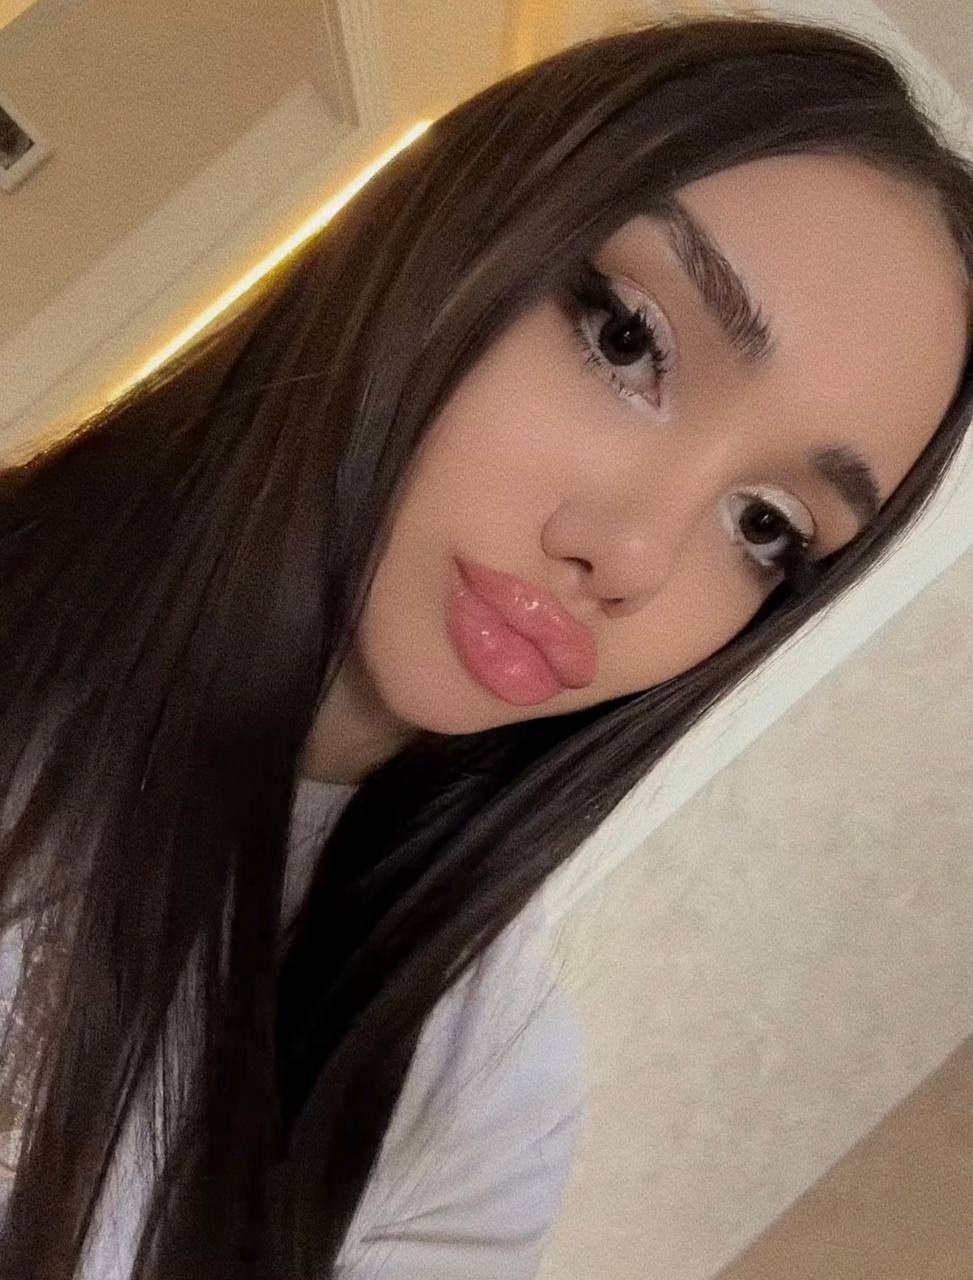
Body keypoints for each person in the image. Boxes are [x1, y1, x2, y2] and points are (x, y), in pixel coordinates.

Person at [1, 13, 972, 1280]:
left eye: (765, 526)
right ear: (454, 231)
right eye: (626, 340)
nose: (633, 555)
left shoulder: (469, 1090)